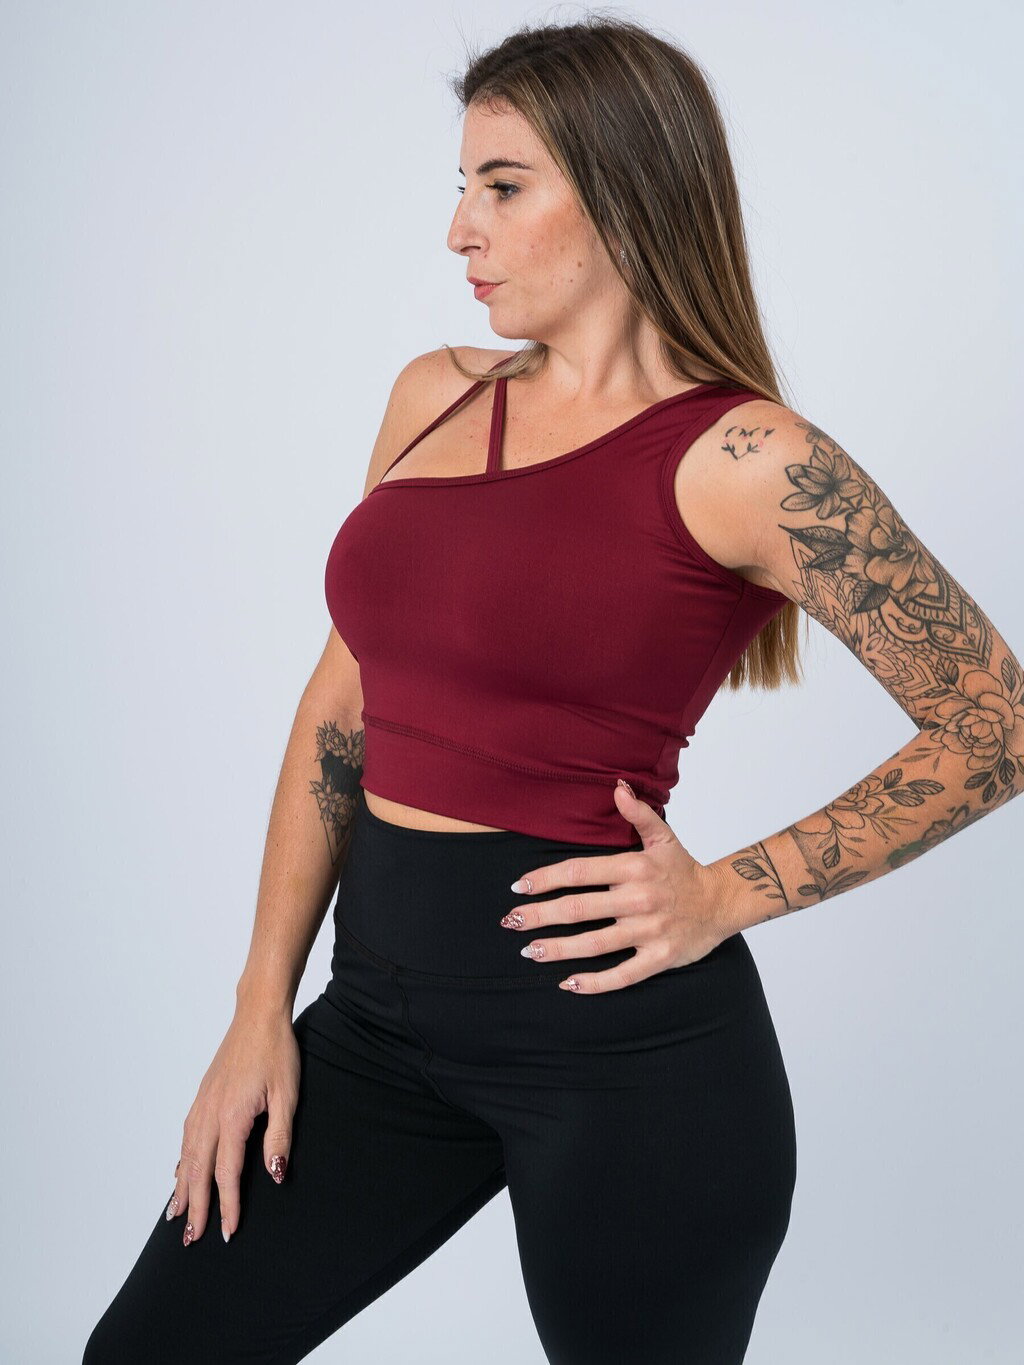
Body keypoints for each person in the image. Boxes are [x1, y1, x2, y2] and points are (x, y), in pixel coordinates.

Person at [82, 15, 1021, 1365]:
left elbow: (997, 721)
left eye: (503, 186)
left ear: (626, 189)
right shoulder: (433, 397)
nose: (459, 230)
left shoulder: (750, 458)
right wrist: (257, 1007)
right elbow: (342, 708)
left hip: (625, 1058)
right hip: (375, 1023)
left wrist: (731, 890)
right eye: (462, 185)